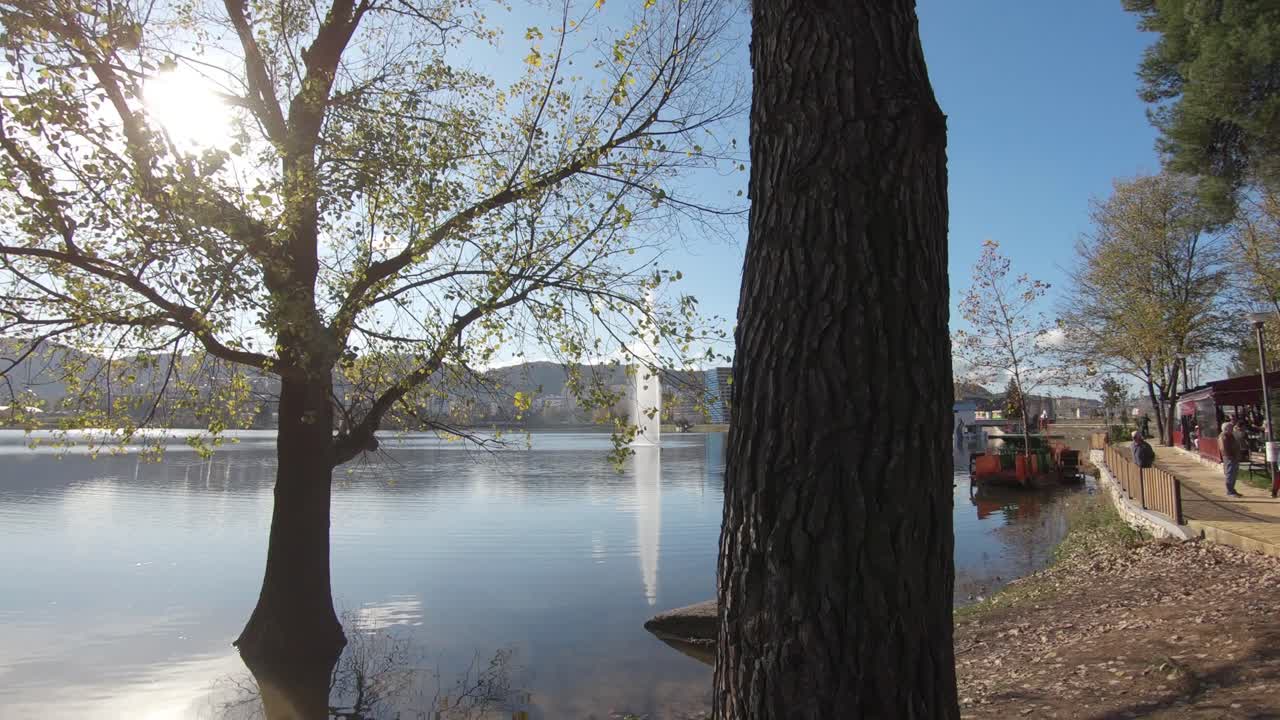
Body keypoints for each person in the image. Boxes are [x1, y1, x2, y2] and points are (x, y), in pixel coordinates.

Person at [1221, 421, 1243, 497]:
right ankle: (1230, 491)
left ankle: (1232, 490)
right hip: (1230, 457)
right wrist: (1230, 456)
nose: (1232, 429)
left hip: (1234, 457)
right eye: (1230, 427)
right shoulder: (1223, 436)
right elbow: (1224, 448)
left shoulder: (1231, 435)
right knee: (1230, 474)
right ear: (1226, 429)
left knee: (1234, 474)